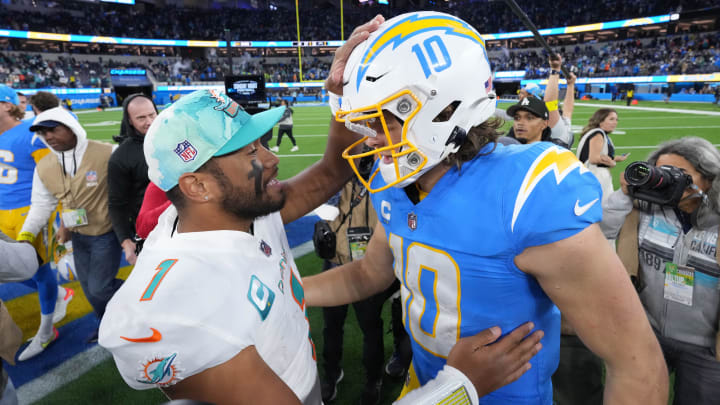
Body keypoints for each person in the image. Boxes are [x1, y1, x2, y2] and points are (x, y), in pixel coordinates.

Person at [99, 16, 543, 405]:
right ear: (197, 185)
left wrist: (344, 87)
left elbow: (332, 171)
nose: (271, 159)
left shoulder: (230, 211)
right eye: (250, 152)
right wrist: (459, 388)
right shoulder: (176, 306)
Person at [304, 11, 668, 404]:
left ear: (444, 111)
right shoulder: (396, 182)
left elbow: (637, 364)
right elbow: (369, 275)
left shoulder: (522, 196)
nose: (372, 141)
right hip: (427, 388)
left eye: (382, 123)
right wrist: (287, 291)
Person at [600, 136, 720, 405]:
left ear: (709, 180)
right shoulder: (645, 209)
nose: (667, 179)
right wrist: (624, 194)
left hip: (706, 346)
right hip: (648, 332)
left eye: (680, 175)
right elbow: (602, 230)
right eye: (662, 171)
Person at [20, 106, 122, 343]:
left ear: (72, 128)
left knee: (99, 288)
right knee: (89, 290)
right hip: (76, 236)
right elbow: (41, 205)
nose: (49, 137)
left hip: (106, 232)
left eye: (53, 130)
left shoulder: (108, 153)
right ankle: (107, 323)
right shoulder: (43, 166)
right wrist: (26, 234)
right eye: (44, 134)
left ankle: (145, 302)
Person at [317, 151, 409, 404]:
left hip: (371, 266)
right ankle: (332, 372)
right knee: (332, 326)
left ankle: (373, 380)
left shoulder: (393, 175)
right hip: (335, 261)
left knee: (370, 328)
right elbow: (320, 205)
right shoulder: (336, 173)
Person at [0, 85, 73, 361]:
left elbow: (54, 176)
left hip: (28, 212)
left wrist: (66, 216)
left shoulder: (31, 134)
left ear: (8, 105)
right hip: (2, 211)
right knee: (15, 270)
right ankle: (58, 293)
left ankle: (46, 333)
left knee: (39, 271)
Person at [107, 94, 158, 265]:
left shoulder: (173, 140)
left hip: (186, 226)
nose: (149, 121)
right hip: (150, 233)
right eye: (141, 118)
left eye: (152, 115)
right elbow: (116, 203)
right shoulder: (121, 157)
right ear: (129, 121)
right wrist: (126, 241)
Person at [575, 108, 629, 203]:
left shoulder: (599, 133)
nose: (615, 122)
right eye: (611, 119)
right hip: (596, 176)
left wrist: (616, 158)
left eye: (616, 120)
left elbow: (599, 156)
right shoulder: (598, 134)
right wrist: (612, 163)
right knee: (603, 208)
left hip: (592, 175)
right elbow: (594, 158)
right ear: (600, 120)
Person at [543, 55, 576, 149]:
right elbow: (568, 109)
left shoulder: (558, 127)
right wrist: (570, 85)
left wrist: (555, 70)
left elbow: (549, 104)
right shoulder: (564, 125)